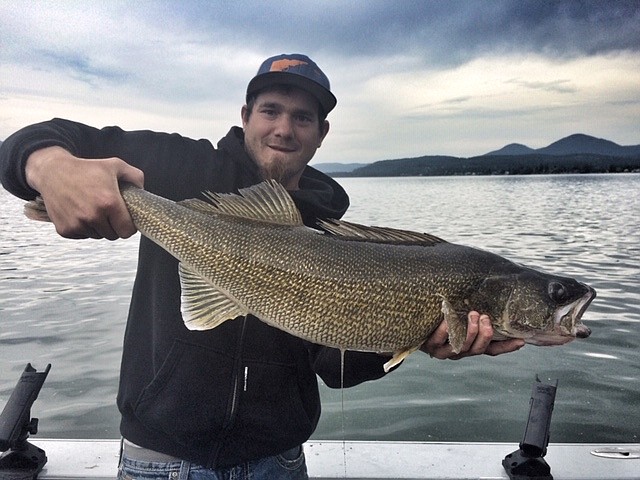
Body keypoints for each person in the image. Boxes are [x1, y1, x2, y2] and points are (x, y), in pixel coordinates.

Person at [0, 53, 524, 479]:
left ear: (321, 134)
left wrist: (420, 341)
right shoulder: (177, 167)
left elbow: (332, 368)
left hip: (278, 462)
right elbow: (35, 140)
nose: (284, 128)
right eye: (271, 109)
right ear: (246, 115)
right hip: (159, 458)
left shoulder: (327, 231)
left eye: (303, 118)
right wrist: (50, 165)